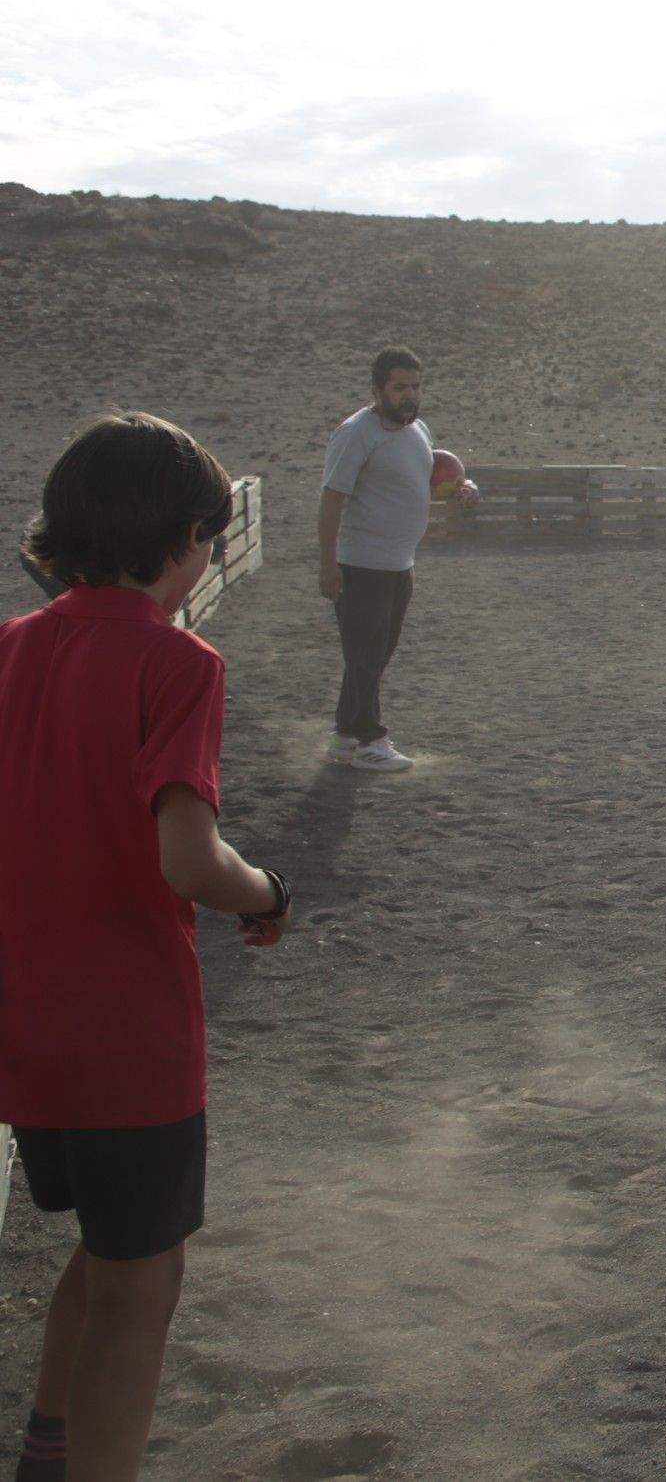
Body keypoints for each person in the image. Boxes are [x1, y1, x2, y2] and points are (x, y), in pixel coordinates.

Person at [2, 414, 292, 1482]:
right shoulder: (178, 663)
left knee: (109, 1245)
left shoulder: (9, 645)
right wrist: (266, 889)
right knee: (143, 1289)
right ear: (179, 538)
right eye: (207, 535)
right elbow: (187, 857)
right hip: (126, 1027)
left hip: (25, 1018)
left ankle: (46, 1439)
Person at [318, 345, 435, 772]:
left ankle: (345, 736)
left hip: (400, 562)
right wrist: (328, 564)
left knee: (376, 654)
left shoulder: (417, 429)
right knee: (365, 654)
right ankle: (370, 739)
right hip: (362, 564)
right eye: (400, 387)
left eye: (415, 386)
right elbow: (332, 497)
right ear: (378, 388)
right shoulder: (356, 433)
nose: (409, 395)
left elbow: (427, 473)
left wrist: (462, 485)